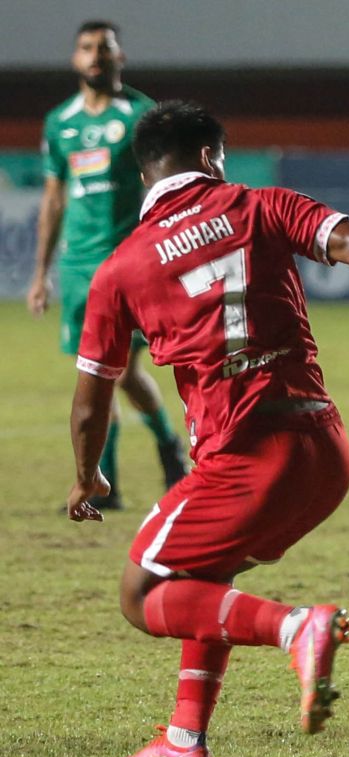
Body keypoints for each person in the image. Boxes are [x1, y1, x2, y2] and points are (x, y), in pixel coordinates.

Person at [66, 101, 349, 757]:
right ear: (209, 159)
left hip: (244, 458)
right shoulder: (260, 206)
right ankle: (183, 739)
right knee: (206, 575)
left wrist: (88, 477)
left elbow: (91, 405)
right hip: (324, 450)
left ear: (147, 178)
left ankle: (296, 626)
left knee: (140, 593)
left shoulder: (122, 270)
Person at [29, 20, 188, 509]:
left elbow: (168, 187)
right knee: (94, 372)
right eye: (86, 48)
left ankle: (163, 451)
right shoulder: (60, 123)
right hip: (78, 269)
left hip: (129, 264)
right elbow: (54, 199)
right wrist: (41, 272)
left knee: (118, 372)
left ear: (120, 57)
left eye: (104, 47)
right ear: (75, 58)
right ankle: (116, 480)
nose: (95, 55)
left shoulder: (143, 116)